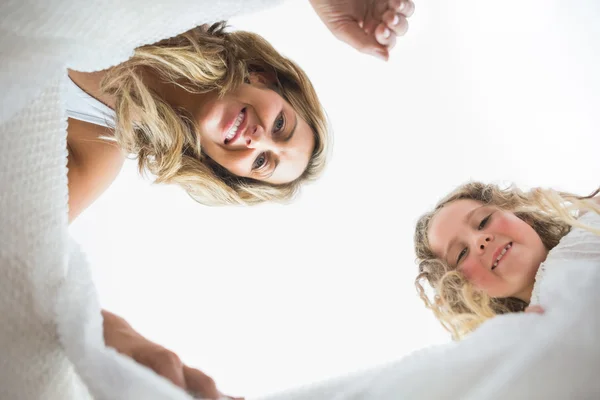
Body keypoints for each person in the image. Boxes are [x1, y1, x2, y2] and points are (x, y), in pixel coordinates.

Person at [413, 182, 600, 340]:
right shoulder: (526, 344)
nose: (479, 241)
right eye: (461, 253)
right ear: (467, 290)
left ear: (522, 216)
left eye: (483, 221)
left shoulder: (593, 217)